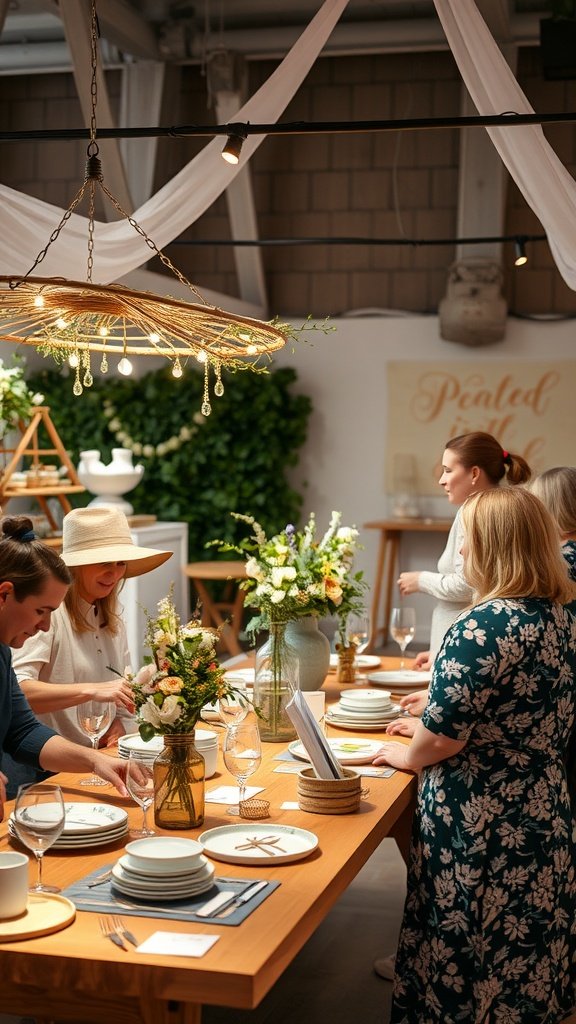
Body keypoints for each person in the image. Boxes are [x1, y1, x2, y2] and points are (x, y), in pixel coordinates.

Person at [373, 488, 576, 1022]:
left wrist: (405, 756)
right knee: (526, 948)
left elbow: (443, 738)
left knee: (470, 946)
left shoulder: (482, 626)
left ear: (496, 546)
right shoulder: (558, 616)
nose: (460, 555)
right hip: (543, 805)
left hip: (480, 818)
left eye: (468, 542)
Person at [3, 505, 172, 796]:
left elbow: (22, 730)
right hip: (39, 776)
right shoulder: (46, 622)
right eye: (40, 611)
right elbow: (25, 698)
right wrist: (95, 690)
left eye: (120, 563)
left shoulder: (4, 652)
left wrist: (98, 759)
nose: (43, 625)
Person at [392, 431, 531, 732]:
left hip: (467, 650)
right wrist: (440, 647)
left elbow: (469, 584)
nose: (441, 480)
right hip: (459, 647)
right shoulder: (486, 509)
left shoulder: (475, 513)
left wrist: (422, 580)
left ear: (474, 473)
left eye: (448, 470)